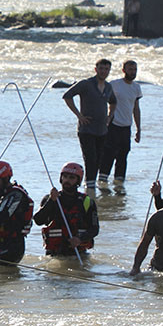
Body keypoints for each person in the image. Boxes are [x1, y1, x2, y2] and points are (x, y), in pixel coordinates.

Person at [62, 58, 114, 189]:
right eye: (101, 68)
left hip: (102, 129)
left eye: (106, 69)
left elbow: (113, 102)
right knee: (90, 159)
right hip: (86, 129)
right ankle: (89, 186)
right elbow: (67, 96)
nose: (104, 71)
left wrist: (109, 117)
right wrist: (79, 115)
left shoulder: (108, 87)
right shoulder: (86, 84)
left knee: (98, 159)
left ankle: (92, 184)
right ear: (96, 69)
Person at [33, 162, 98, 258]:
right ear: (61, 178)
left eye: (72, 178)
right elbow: (38, 220)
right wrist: (51, 201)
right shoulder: (50, 199)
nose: (67, 180)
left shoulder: (87, 202)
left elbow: (94, 229)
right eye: (65, 177)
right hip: (54, 254)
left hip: (79, 253)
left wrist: (79, 239)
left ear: (78, 181)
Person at [99, 59, 142, 188]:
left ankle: (119, 185)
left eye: (134, 69)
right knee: (108, 154)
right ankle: (102, 183)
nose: (132, 72)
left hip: (126, 126)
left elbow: (136, 108)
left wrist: (139, 128)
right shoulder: (114, 84)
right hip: (113, 124)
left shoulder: (136, 87)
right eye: (130, 69)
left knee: (123, 156)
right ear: (124, 70)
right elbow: (102, 100)